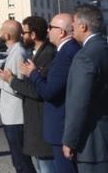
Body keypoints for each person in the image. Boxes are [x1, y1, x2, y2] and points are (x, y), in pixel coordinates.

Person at [62, 4, 108, 173]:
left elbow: (78, 103)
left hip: (94, 144)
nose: (71, 27)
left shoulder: (85, 56)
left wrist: (70, 140)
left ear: (83, 26)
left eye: (74, 23)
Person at [17, 12, 80, 173]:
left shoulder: (64, 53)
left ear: (61, 32)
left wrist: (33, 73)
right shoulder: (63, 51)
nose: (48, 30)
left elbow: (49, 91)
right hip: (55, 126)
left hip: (59, 126)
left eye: (51, 27)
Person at [2, 15, 57, 173]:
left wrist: (11, 80)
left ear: (33, 35)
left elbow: (36, 90)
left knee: (45, 168)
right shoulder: (36, 53)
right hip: (36, 122)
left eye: (24, 33)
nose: (21, 36)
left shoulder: (47, 54)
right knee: (40, 166)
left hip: (41, 120)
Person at [0, 20, 37, 173]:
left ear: (7, 35)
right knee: (19, 161)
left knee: (21, 162)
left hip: (16, 117)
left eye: (1, 29)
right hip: (12, 116)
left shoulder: (18, 53)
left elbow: (16, 87)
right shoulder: (15, 52)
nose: (0, 31)